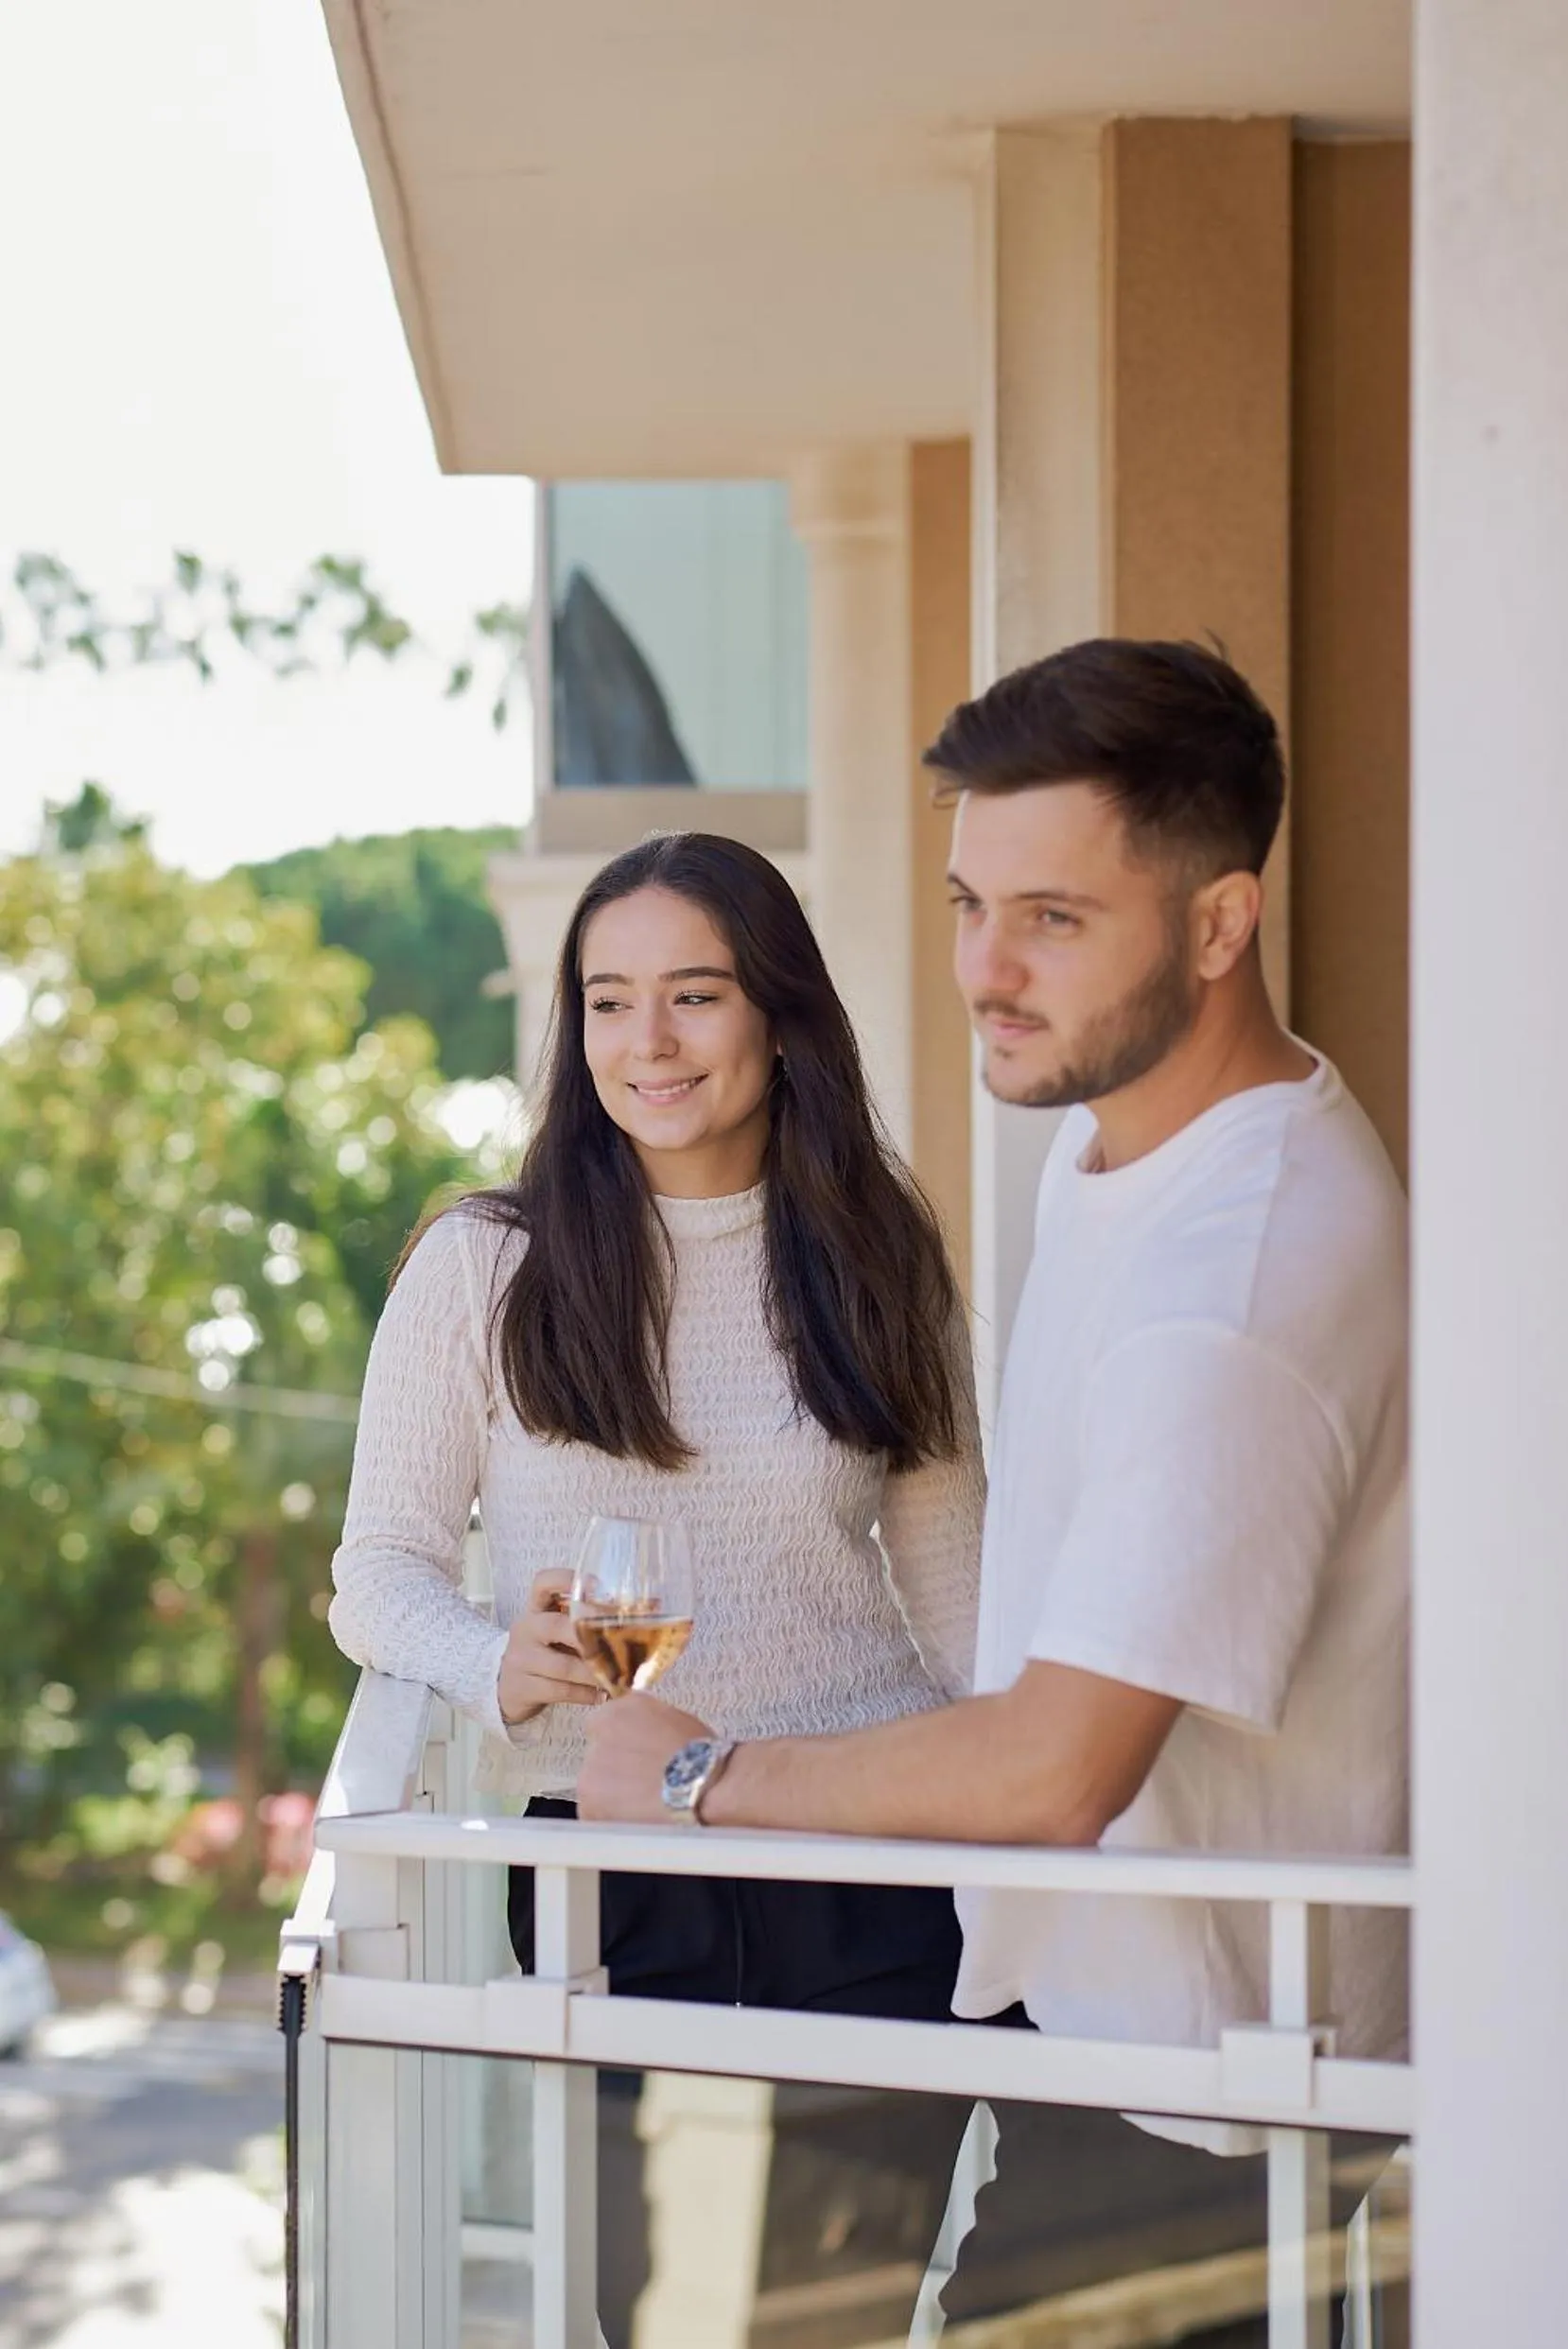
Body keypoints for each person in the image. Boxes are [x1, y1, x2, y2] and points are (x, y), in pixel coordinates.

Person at [579, 640, 1410, 2338]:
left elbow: (1051, 1771)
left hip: (1215, 2102)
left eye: (1053, 918)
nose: (983, 970)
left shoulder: (1232, 1288)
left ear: (1216, 923)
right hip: (1115, 2033)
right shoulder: (1117, 1144)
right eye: (970, 902)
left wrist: (694, 1783)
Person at [328, 830, 985, 2343]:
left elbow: (958, 1600)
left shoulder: (876, 1254)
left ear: (776, 1014)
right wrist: (496, 1658)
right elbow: (378, 1572)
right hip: (613, 1867)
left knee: (836, 2316)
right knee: (658, 2315)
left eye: (693, 995)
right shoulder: (485, 1266)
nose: (649, 1043)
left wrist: (1041, 1824)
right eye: (608, 1002)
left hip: (864, 1854)